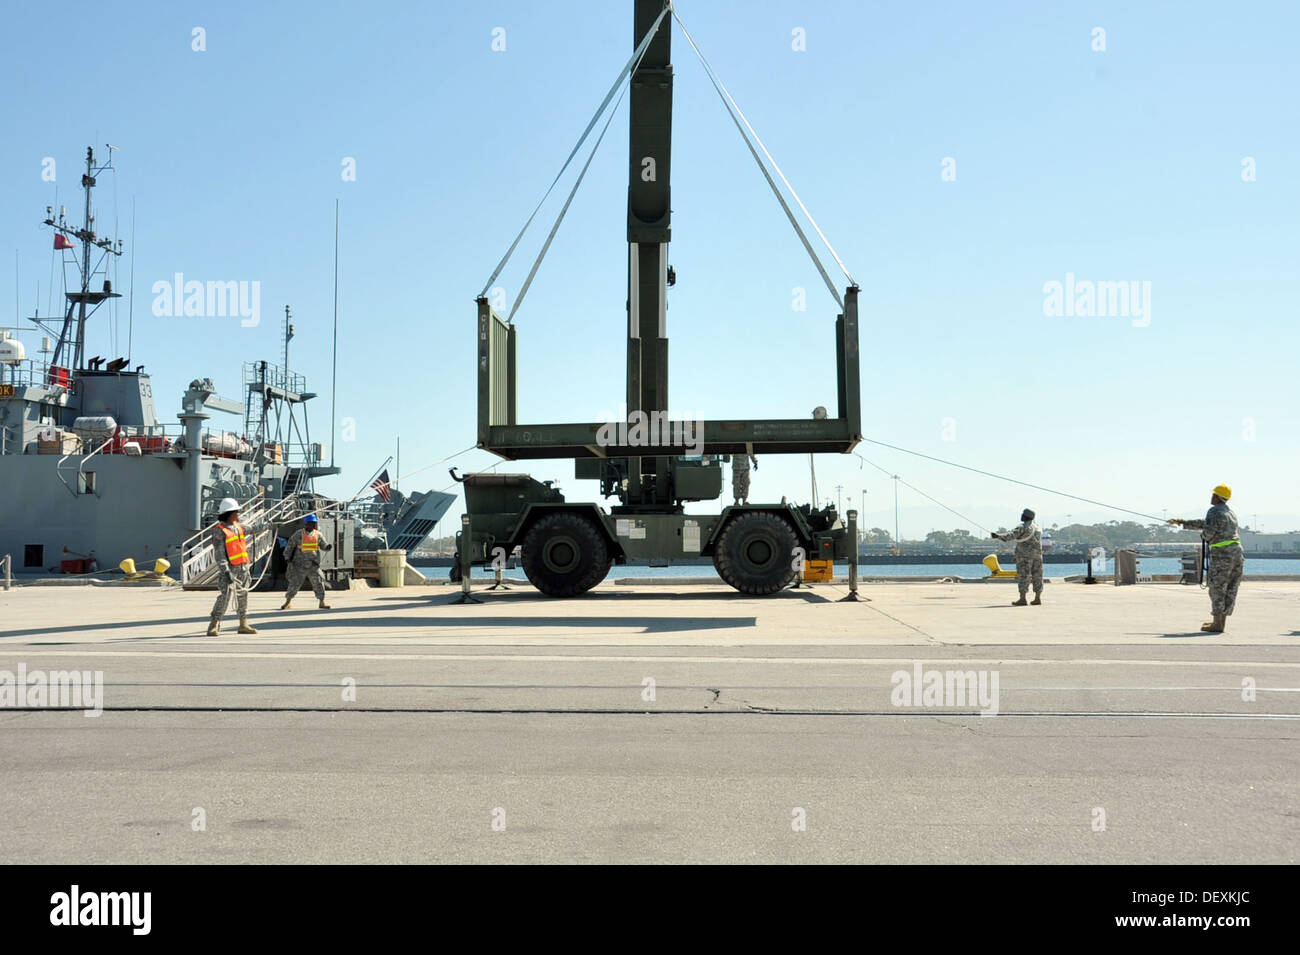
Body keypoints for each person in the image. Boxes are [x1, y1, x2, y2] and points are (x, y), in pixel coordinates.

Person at [1169, 484, 1243, 633]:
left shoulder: (1214, 511)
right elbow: (1206, 523)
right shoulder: (1229, 512)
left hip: (1222, 554)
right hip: (1237, 553)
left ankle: (1217, 623)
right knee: (1230, 587)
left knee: (1217, 587)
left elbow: (1208, 532)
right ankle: (1221, 621)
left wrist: (1203, 536)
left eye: (1213, 494)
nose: (1211, 497)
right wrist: (1182, 522)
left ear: (1217, 497)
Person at [208, 497, 257, 635]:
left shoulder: (238, 527)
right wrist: (226, 571)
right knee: (225, 597)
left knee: (243, 595)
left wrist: (272, 524)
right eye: (236, 512)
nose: (238, 514)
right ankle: (214, 624)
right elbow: (220, 554)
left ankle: (243, 624)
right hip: (230, 570)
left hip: (243, 567)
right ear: (229, 513)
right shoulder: (219, 531)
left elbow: (254, 528)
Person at [280, 513, 333, 610]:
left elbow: (323, 545)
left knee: (318, 582)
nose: (312, 525)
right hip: (299, 564)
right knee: (294, 583)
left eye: (314, 523)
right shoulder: (298, 534)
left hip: (313, 564)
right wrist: (287, 557)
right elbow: (290, 546)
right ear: (306, 524)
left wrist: (327, 547)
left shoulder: (318, 535)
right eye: (310, 523)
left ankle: (322, 602)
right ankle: (288, 602)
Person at [992, 508, 1043, 606]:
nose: (1021, 516)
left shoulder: (1023, 526)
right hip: (1038, 556)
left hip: (1024, 556)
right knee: (1037, 576)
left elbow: (1011, 535)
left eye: (1023, 514)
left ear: (1026, 516)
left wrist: (997, 536)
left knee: (1024, 576)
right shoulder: (1037, 528)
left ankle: (1022, 599)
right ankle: (1037, 598)